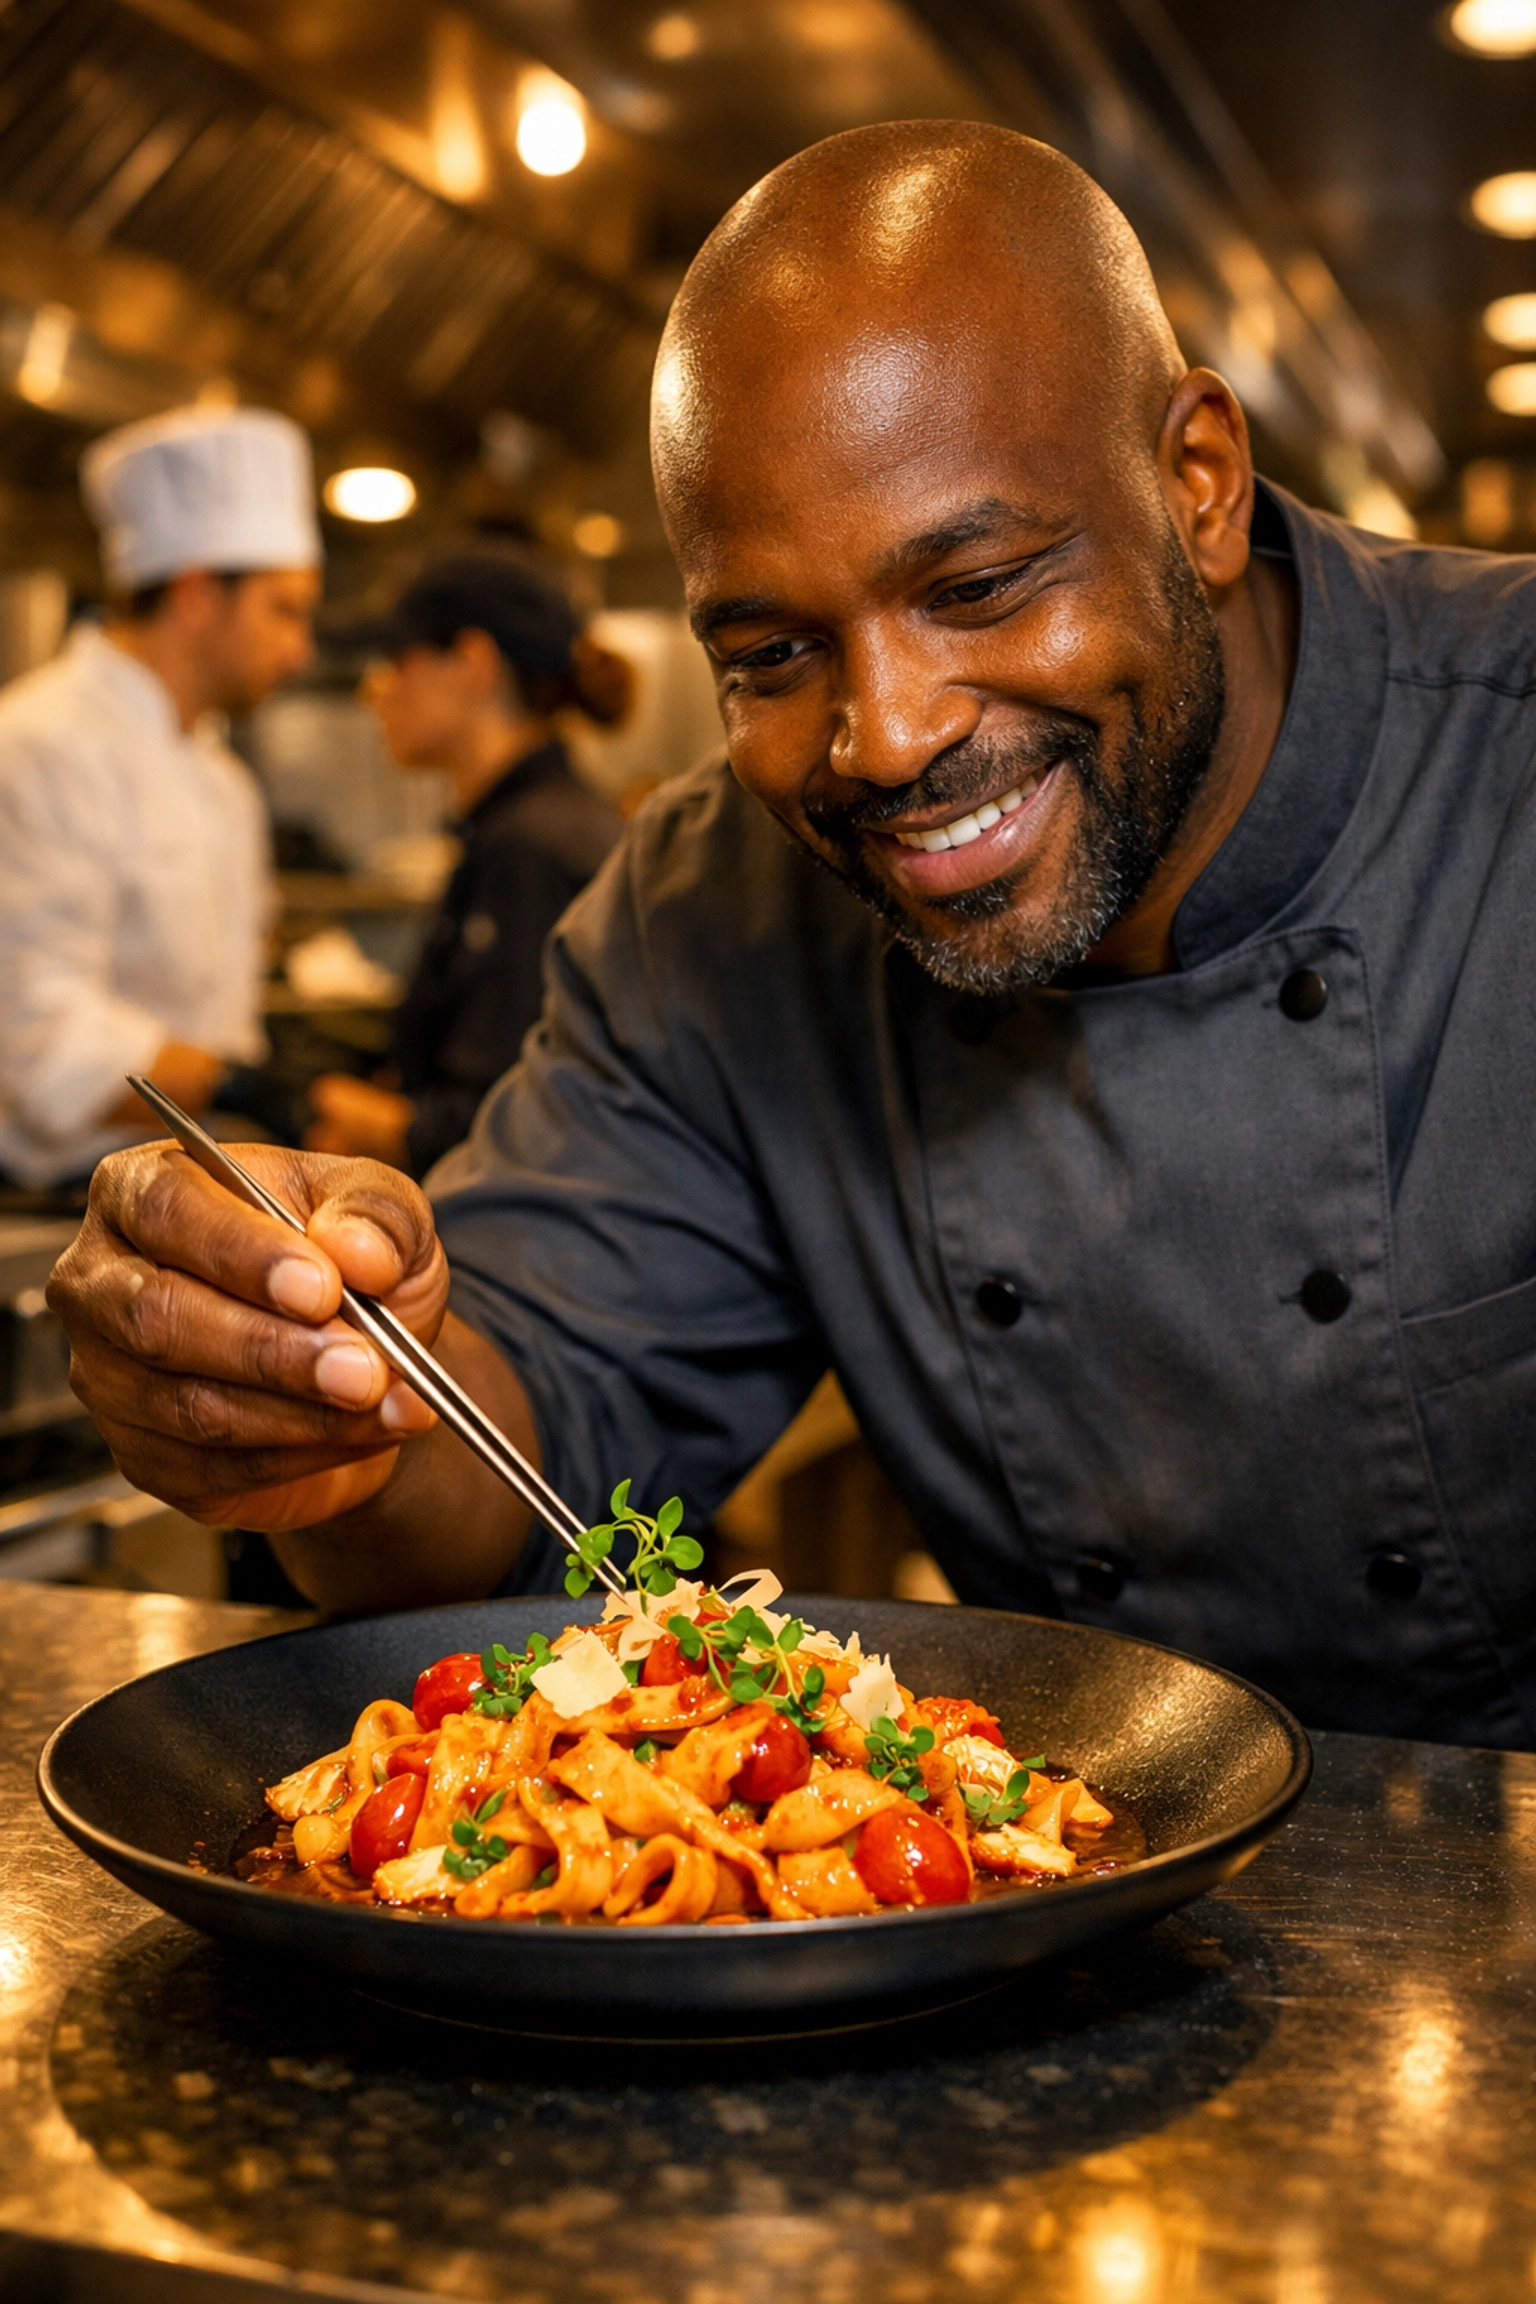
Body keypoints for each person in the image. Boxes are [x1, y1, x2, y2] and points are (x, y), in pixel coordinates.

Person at [46, 124, 1536, 1747]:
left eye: (975, 583)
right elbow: (517, 1440)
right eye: (770, 653)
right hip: (1040, 1910)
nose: (884, 736)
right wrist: (312, 1383)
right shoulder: (705, 913)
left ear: (1196, 483)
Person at [0, 405, 320, 1194]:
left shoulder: (224, 781)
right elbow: (36, 1037)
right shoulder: (34, 747)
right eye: (284, 609)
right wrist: (240, 1086)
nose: (300, 648)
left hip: (202, 1179)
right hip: (62, 1199)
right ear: (195, 593)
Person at [306, 555, 627, 1178]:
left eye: (396, 661)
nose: (374, 690)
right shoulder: (540, 824)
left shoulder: (531, 849)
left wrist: (365, 1121)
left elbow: (517, 1122)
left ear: (473, 664)